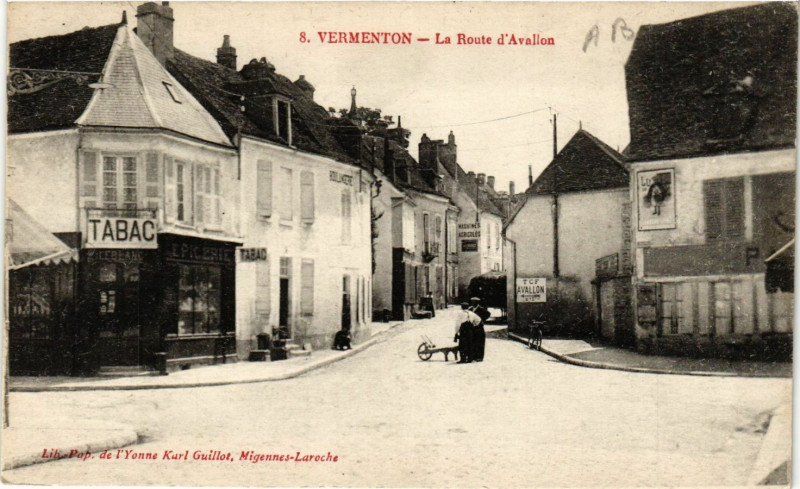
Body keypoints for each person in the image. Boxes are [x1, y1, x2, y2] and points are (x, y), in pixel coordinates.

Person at [469, 297, 491, 362]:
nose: (473, 303)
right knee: (473, 342)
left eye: (474, 302)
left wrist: (482, 320)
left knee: (480, 342)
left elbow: (488, 314)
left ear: (477, 302)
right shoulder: (470, 309)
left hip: (479, 327)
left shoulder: (481, 309)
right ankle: (474, 356)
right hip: (472, 327)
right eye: (472, 302)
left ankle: (480, 357)